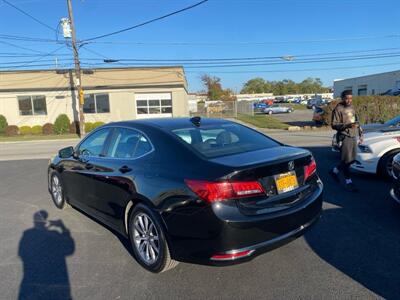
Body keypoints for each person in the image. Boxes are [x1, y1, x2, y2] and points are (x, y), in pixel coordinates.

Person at [329, 90, 363, 192]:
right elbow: (334, 125)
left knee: (351, 160)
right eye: (347, 98)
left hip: (353, 136)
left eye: (351, 98)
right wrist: (347, 125)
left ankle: (334, 171)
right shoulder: (338, 109)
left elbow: (356, 121)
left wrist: (361, 134)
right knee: (346, 160)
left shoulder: (352, 107)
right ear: (342, 98)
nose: (349, 100)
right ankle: (349, 182)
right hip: (344, 136)